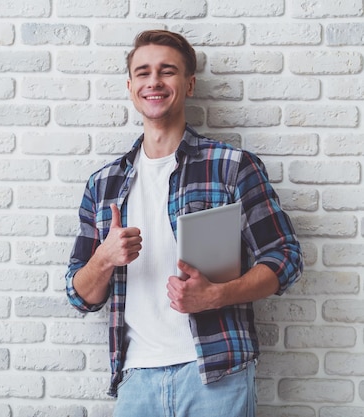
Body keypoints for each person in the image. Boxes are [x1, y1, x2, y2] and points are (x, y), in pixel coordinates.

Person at [65, 30, 303, 417]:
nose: (154, 81)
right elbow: (80, 295)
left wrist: (217, 295)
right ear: (130, 87)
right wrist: (104, 259)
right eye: (143, 73)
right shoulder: (103, 184)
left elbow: (286, 258)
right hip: (135, 379)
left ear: (188, 84)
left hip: (217, 375)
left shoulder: (231, 166)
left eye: (167, 71)